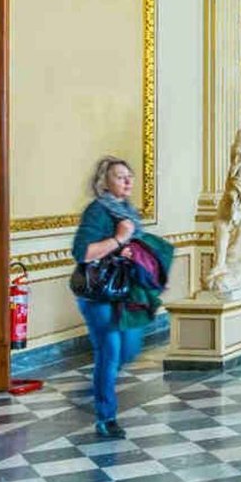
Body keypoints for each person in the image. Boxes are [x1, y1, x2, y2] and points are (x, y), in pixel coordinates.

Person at [72, 157, 174, 439]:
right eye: (120, 177)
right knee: (111, 350)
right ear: (104, 182)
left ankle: (99, 382)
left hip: (125, 293)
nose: (128, 181)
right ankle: (106, 417)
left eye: (130, 176)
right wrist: (118, 240)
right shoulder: (97, 211)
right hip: (100, 295)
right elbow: (82, 253)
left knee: (128, 349)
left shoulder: (128, 211)